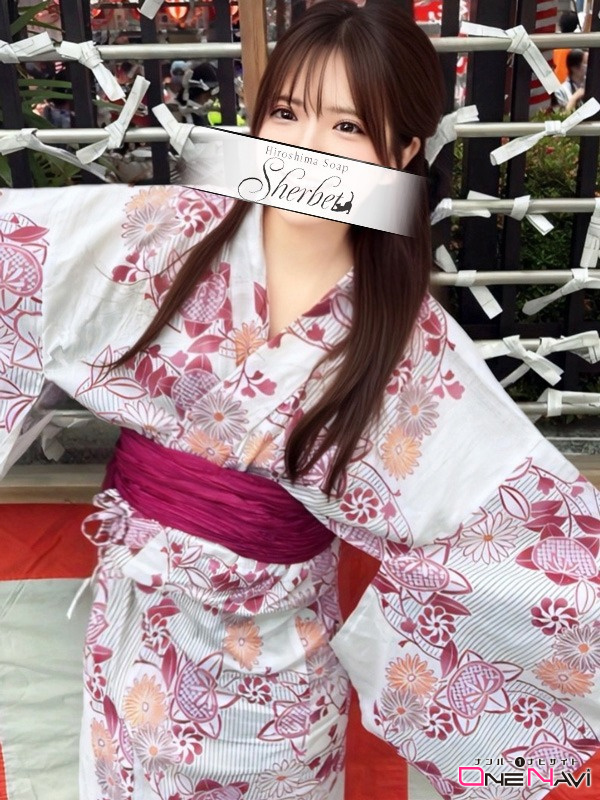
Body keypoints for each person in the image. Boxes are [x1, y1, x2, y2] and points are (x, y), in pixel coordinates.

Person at [0, 2, 599, 800]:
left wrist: (512, 764)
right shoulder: (168, 232)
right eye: (287, 114)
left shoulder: (411, 347)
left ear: (404, 150)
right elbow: (20, 266)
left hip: (277, 695)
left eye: (346, 127)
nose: (306, 148)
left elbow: (533, 545)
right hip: (133, 647)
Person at [553, 9, 580, 84]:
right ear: (576, 26)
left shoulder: (552, 44)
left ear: (559, 25)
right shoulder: (576, 49)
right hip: (568, 86)